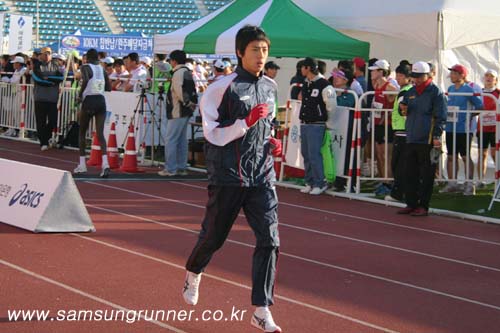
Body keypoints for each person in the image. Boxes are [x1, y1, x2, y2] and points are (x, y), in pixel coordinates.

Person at [183, 25, 282, 333]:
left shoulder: (270, 86)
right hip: (228, 176)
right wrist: (245, 122)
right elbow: (211, 133)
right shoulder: (220, 88)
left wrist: (272, 140)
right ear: (240, 52)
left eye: (264, 50)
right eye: (255, 50)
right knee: (214, 237)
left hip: (262, 176)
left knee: (270, 239)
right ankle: (194, 272)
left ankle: (261, 309)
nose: (261, 56)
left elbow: (270, 123)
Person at [398, 61, 447, 216]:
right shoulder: (411, 91)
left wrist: (437, 136)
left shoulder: (436, 92)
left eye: (419, 76)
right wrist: (402, 109)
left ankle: (423, 206)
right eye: (415, 76)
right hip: (411, 136)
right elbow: (403, 108)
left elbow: (441, 116)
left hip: (428, 138)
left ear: (428, 75)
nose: (416, 79)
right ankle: (411, 203)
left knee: (426, 174)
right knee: (409, 173)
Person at [440, 64, 483, 195]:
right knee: (451, 156)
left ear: (461, 75)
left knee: (465, 156)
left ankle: (469, 184)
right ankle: (452, 183)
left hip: (464, 130)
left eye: (454, 73)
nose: (451, 76)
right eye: (451, 73)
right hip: (450, 127)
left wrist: (469, 115)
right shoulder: (451, 88)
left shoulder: (468, 89)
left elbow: (480, 106)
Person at [299, 57, 337, 195]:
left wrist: (326, 121)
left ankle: (320, 183)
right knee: (306, 154)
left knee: (314, 154)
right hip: (305, 123)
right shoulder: (306, 83)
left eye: (303, 67)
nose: (301, 70)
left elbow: (331, 106)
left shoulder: (324, 84)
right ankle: (309, 182)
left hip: (317, 124)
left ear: (308, 68)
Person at [73, 49, 112, 178]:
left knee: (82, 133)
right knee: (100, 134)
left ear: (88, 58)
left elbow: (85, 79)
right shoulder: (102, 69)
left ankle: (82, 165)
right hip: (101, 101)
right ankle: (105, 164)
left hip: (89, 100)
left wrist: (79, 95)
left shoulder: (85, 67)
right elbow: (108, 87)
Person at [158, 50, 197, 177]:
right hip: (185, 110)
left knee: (171, 140)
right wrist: (190, 104)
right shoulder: (186, 71)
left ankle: (170, 168)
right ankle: (181, 167)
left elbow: (179, 90)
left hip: (178, 110)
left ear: (174, 61)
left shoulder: (178, 73)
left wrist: (186, 103)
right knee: (181, 140)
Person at [368, 59, 398, 195]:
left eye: (374, 70)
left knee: (386, 155)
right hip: (377, 124)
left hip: (387, 125)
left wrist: (389, 116)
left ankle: (389, 183)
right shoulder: (375, 85)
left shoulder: (389, 87)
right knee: (379, 154)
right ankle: (383, 180)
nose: (371, 73)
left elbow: (398, 99)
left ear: (381, 71)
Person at [385, 63, 413, 202]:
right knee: (400, 163)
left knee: (399, 164)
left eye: (401, 76)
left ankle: (398, 193)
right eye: (397, 75)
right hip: (401, 130)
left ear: (408, 78)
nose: (398, 78)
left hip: (403, 131)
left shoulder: (405, 92)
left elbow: (402, 111)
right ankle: (403, 192)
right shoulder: (404, 90)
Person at [32, 47, 64, 151]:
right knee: (40, 121)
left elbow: (60, 78)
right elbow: (37, 79)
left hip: (52, 99)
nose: (46, 55)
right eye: (44, 53)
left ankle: (46, 137)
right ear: (40, 55)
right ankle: (43, 142)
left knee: (53, 120)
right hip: (40, 98)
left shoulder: (56, 65)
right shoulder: (37, 65)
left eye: (48, 53)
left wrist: (47, 78)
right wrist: (51, 82)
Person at [477, 69, 499, 186]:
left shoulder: (498, 93)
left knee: (496, 154)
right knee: (482, 154)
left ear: (496, 80)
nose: (489, 78)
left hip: (496, 129)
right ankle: (481, 180)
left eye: (492, 76)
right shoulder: (479, 93)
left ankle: (498, 178)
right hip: (482, 128)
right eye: (487, 76)